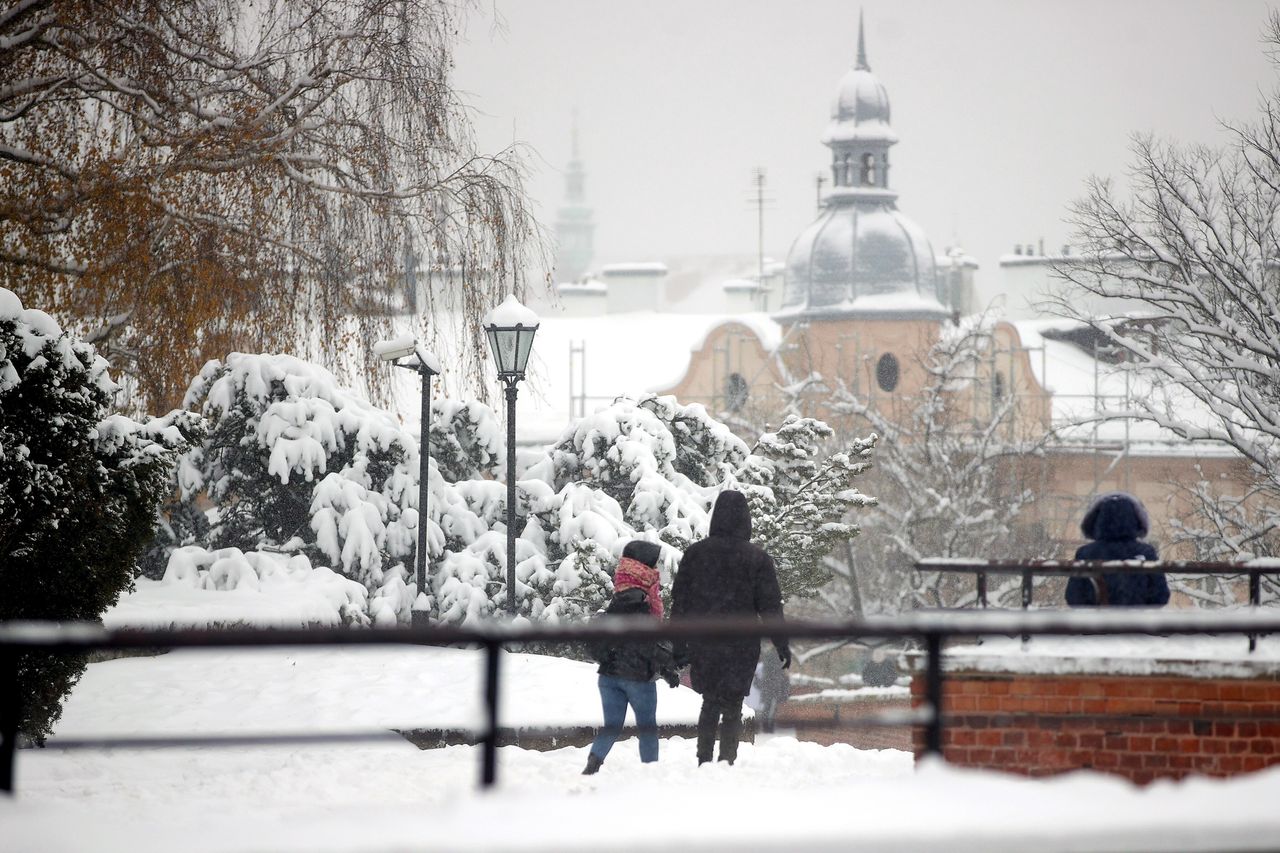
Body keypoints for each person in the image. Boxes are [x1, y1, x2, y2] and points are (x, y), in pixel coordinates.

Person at [671, 489, 789, 766]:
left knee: (710, 701)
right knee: (733, 704)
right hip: (741, 643)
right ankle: (727, 760)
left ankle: (704, 759)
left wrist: (678, 645)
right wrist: (781, 644)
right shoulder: (757, 559)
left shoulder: (695, 554)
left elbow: (681, 605)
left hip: (705, 642)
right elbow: (770, 607)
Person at [582, 540, 680, 775]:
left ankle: (592, 766)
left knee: (612, 726)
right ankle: (651, 773)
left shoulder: (618, 597)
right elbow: (647, 643)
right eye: (654, 564)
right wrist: (668, 669)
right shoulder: (642, 601)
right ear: (645, 568)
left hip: (608, 676)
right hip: (637, 677)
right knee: (647, 728)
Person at [1066, 491, 1170, 607]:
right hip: (1137, 623)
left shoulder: (1085, 553)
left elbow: (1074, 597)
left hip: (1096, 623)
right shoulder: (1146, 553)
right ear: (1136, 520)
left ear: (1096, 520)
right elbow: (1160, 596)